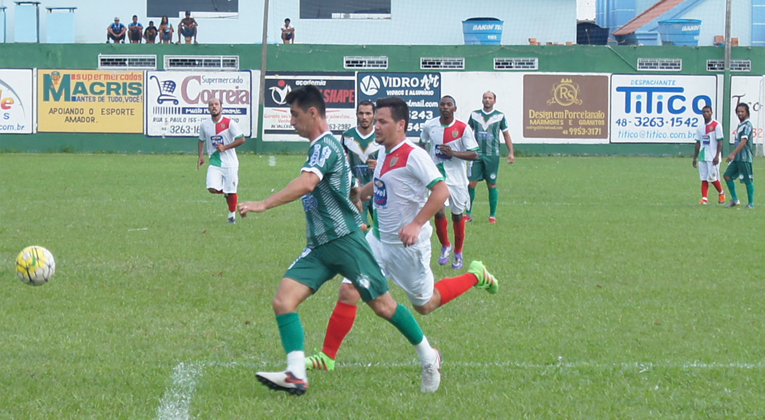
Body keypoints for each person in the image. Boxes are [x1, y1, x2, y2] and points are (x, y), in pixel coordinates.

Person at [237, 85, 442, 395]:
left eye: (294, 115)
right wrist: (355, 198)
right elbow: (345, 186)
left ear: (313, 113)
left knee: (384, 307)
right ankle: (295, 373)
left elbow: (308, 183)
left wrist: (263, 204)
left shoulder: (326, 146)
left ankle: (428, 356)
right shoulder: (326, 147)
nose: (291, 121)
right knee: (283, 300)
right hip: (320, 245)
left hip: (345, 242)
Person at [305, 96, 499, 373]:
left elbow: (441, 191)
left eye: (382, 121)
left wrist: (417, 224)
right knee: (349, 289)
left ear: (401, 124)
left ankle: (475, 275)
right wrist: (361, 193)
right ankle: (327, 356)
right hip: (378, 241)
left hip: (408, 247)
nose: (376, 125)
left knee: (425, 304)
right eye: (376, 119)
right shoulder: (384, 151)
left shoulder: (414, 154)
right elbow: (383, 181)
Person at [419, 95, 478, 269]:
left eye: (449, 105)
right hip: (437, 176)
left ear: (454, 108)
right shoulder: (430, 126)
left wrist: (453, 153)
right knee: (438, 212)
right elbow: (422, 143)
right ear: (439, 107)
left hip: (458, 179)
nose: (445, 107)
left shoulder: (463, 128)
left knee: (457, 215)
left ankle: (458, 252)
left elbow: (474, 154)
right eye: (442, 104)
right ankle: (446, 245)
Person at [466, 91, 515, 223]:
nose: (487, 100)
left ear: (494, 101)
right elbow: (467, 133)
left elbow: (506, 134)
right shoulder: (474, 115)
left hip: (492, 155)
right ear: (482, 100)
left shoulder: (499, 116)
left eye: (490, 98)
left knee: (491, 184)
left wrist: (511, 152)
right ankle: (468, 213)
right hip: (475, 154)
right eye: (485, 98)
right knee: (470, 183)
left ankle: (492, 215)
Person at [197, 98, 246, 223]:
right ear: (208, 108)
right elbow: (201, 140)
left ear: (221, 107)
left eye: (216, 104)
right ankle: (228, 194)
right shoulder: (204, 125)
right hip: (215, 161)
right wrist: (200, 156)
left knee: (232, 190)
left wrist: (225, 147)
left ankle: (231, 216)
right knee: (211, 188)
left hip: (230, 163)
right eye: (211, 105)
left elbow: (241, 139)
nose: (214, 107)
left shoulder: (229, 123)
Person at [341, 99, 383, 230]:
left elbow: (393, 162)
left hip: (379, 189)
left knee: (383, 230)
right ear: (356, 114)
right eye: (361, 113)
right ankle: (363, 250)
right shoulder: (347, 137)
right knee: (360, 228)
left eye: (368, 113)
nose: (364, 117)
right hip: (356, 190)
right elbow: (341, 163)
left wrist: (380, 165)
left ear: (374, 115)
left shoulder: (382, 135)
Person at [692, 105, 725, 205]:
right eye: (704, 112)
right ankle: (704, 198)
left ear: (711, 113)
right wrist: (695, 158)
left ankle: (721, 192)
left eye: (708, 111)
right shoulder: (700, 128)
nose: (706, 113)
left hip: (713, 157)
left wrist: (717, 155)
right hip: (703, 156)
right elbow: (698, 143)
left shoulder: (716, 125)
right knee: (704, 177)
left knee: (712, 177)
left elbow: (720, 142)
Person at [724, 102, 755, 208]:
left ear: (747, 112)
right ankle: (735, 199)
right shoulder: (741, 125)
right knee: (727, 175)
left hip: (745, 157)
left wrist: (733, 154)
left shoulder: (747, 125)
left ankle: (751, 203)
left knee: (747, 180)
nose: (740, 113)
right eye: (738, 111)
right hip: (737, 158)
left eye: (742, 111)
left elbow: (743, 141)